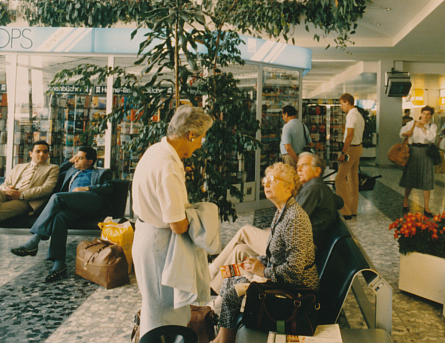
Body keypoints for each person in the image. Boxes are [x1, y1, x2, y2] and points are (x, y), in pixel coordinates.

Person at [212, 163, 319, 343]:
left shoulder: (295, 219)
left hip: (296, 290)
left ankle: (223, 339)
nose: (265, 184)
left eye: (272, 180)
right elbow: (275, 255)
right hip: (281, 278)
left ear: (289, 186)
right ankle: (220, 336)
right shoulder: (281, 212)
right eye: (265, 180)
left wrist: (261, 271)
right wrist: (256, 263)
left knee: (232, 291)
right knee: (232, 272)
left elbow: (294, 273)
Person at [131, 105, 214, 338]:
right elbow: (178, 224)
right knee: (167, 315)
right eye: (201, 139)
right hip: (159, 244)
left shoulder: (156, 151)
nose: (199, 145)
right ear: (191, 135)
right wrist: (201, 217)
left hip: (148, 235)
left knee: (155, 309)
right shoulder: (167, 165)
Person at [207, 153, 343, 293]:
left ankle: (212, 271)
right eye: (298, 166)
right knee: (240, 249)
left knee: (245, 231)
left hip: (298, 252)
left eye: (305, 165)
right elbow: (340, 201)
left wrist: (272, 236)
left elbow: (294, 220)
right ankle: (216, 287)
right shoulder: (320, 188)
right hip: (299, 248)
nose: (299, 169)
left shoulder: (313, 188)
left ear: (317, 170)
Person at [11, 146, 113, 283]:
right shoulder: (71, 171)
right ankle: (59, 265)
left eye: (81, 158)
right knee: (60, 217)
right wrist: (71, 161)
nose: (77, 160)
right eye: (76, 157)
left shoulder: (101, 173)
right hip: (74, 207)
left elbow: (108, 188)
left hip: (92, 202)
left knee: (57, 197)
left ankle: (35, 240)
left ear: (90, 161)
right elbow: (56, 171)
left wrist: (86, 188)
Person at [0, 141, 59, 276]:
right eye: (38, 151)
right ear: (31, 153)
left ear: (48, 154)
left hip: (25, 202)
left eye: (45, 151)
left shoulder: (52, 168)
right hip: (7, 195)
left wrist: (21, 195)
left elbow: (46, 189)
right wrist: (5, 189)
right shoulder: (18, 167)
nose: (42, 154)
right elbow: (5, 184)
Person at [399, 106, 437, 217]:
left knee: (427, 179)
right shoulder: (412, 123)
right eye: (424, 113)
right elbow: (401, 132)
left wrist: (423, 128)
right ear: (421, 113)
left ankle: (426, 207)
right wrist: (407, 134)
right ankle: (405, 200)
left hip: (426, 153)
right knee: (410, 177)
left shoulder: (432, 126)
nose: (425, 116)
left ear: (431, 116)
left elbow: (431, 139)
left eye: (428, 114)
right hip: (413, 151)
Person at [335, 93, 365, 220]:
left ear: (347, 102)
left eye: (342, 104)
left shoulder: (351, 115)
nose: (341, 107)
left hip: (351, 150)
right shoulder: (359, 115)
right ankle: (353, 210)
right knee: (353, 180)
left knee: (339, 179)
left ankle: (345, 210)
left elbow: (349, 135)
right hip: (358, 148)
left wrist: (343, 152)